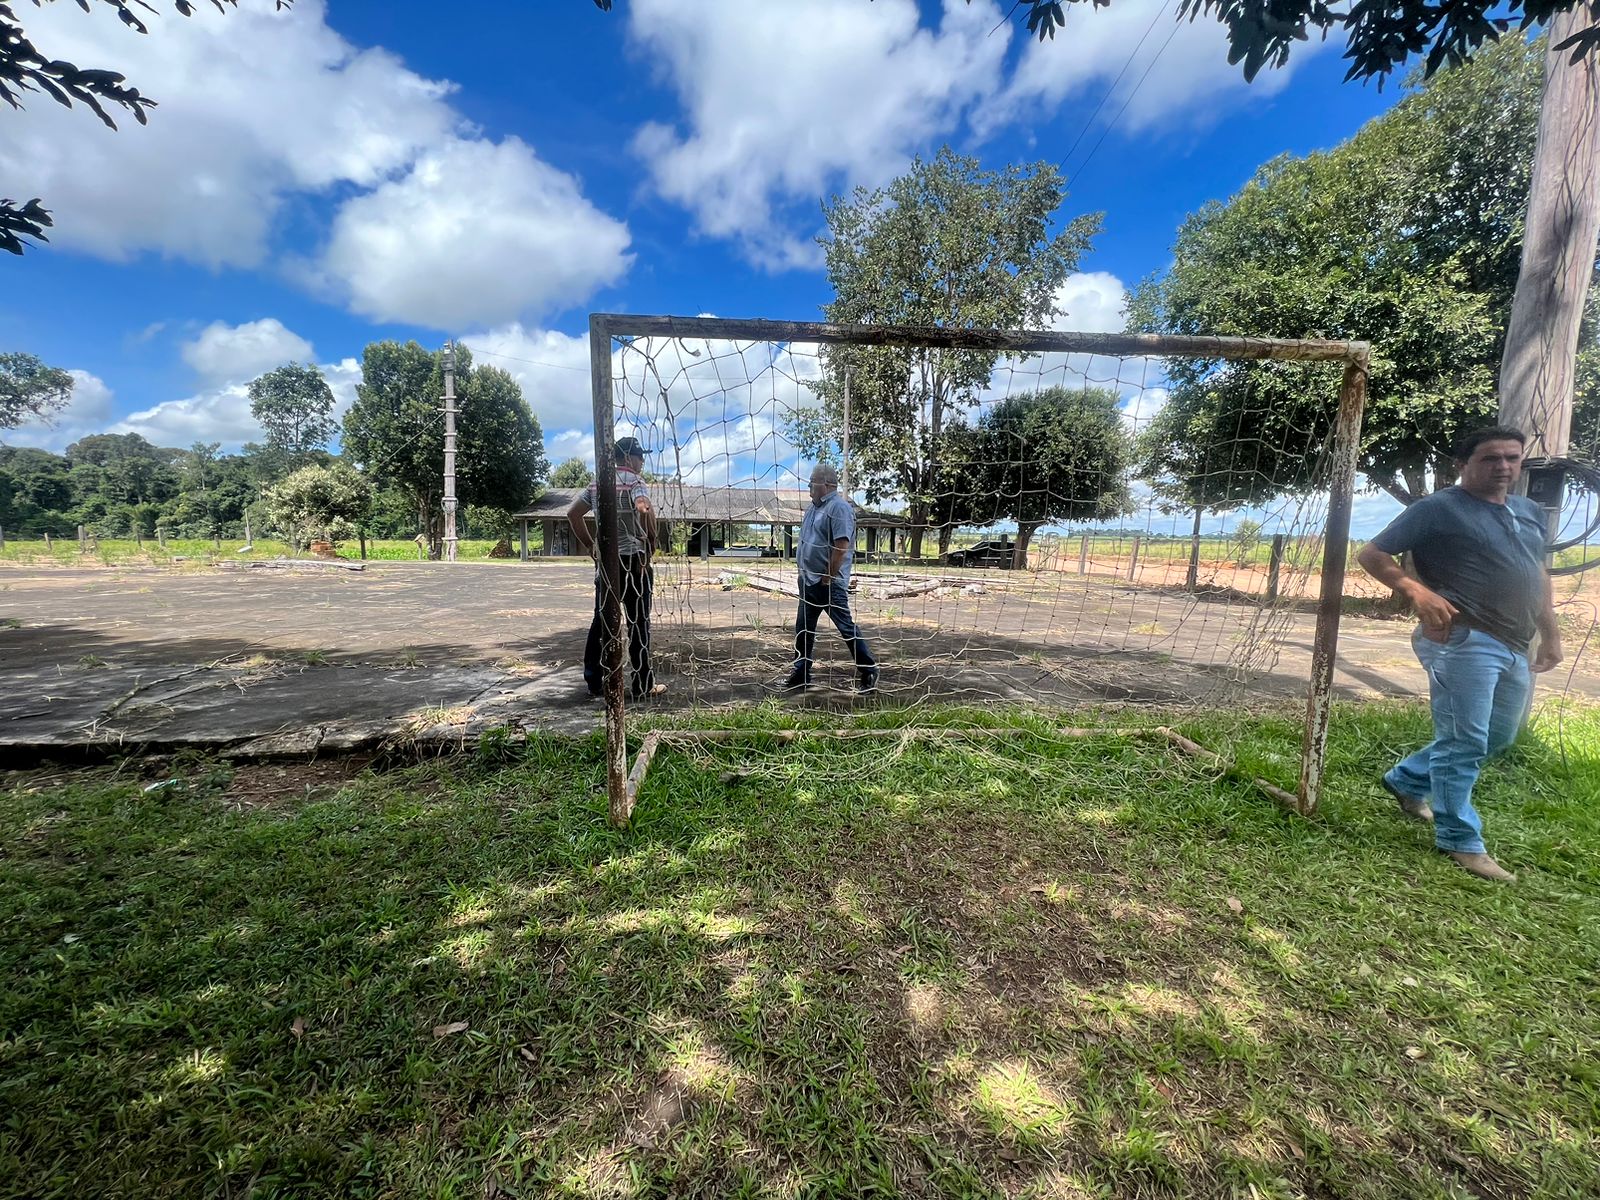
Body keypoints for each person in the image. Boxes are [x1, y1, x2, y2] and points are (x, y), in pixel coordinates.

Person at [1355, 426, 1563, 883]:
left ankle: (1408, 779)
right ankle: (1460, 840)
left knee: (1498, 736)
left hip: (1515, 641)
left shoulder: (1528, 512)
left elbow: (1537, 574)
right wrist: (1416, 590)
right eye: (1490, 458)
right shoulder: (1439, 508)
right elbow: (1372, 554)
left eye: (1512, 458)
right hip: (1462, 639)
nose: (1503, 467)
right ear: (1463, 464)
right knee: (1465, 742)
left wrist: (1550, 633)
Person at [567, 436, 664, 701]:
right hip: (633, 562)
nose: (642, 462)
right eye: (640, 457)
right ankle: (643, 684)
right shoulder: (635, 481)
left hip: (608, 563)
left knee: (602, 620)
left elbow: (573, 514)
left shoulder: (598, 483)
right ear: (628, 457)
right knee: (638, 622)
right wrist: (651, 539)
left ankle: (595, 681)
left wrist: (591, 545)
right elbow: (643, 508)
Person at [782, 463, 878, 693]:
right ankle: (801, 673)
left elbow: (841, 546)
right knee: (803, 629)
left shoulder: (839, 508)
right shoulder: (812, 509)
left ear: (826, 484)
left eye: (812, 482)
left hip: (829, 583)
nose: (808, 487)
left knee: (845, 627)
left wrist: (828, 577)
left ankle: (869, 670)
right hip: (808, 581)